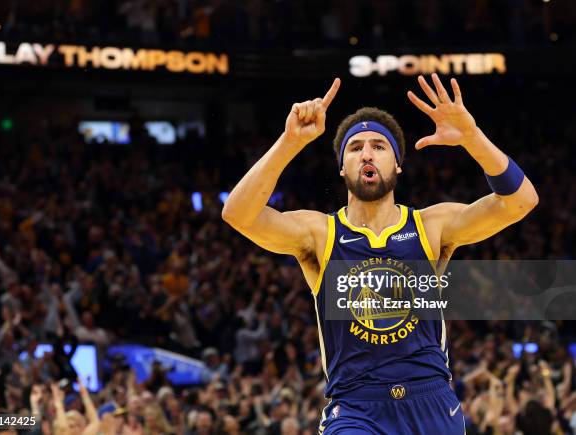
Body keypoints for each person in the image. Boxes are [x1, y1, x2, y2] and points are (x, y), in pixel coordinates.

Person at [222, 74, 538, 434]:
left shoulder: (430, 227)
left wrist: (473, 138)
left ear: (397, 164)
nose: (367, 153)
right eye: (355, 148)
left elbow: (521, 201)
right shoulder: (320, 234)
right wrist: (289, 142)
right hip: (357, 408)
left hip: (431, 402)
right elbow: (237, 214)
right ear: (342, 167)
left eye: (379, 146)